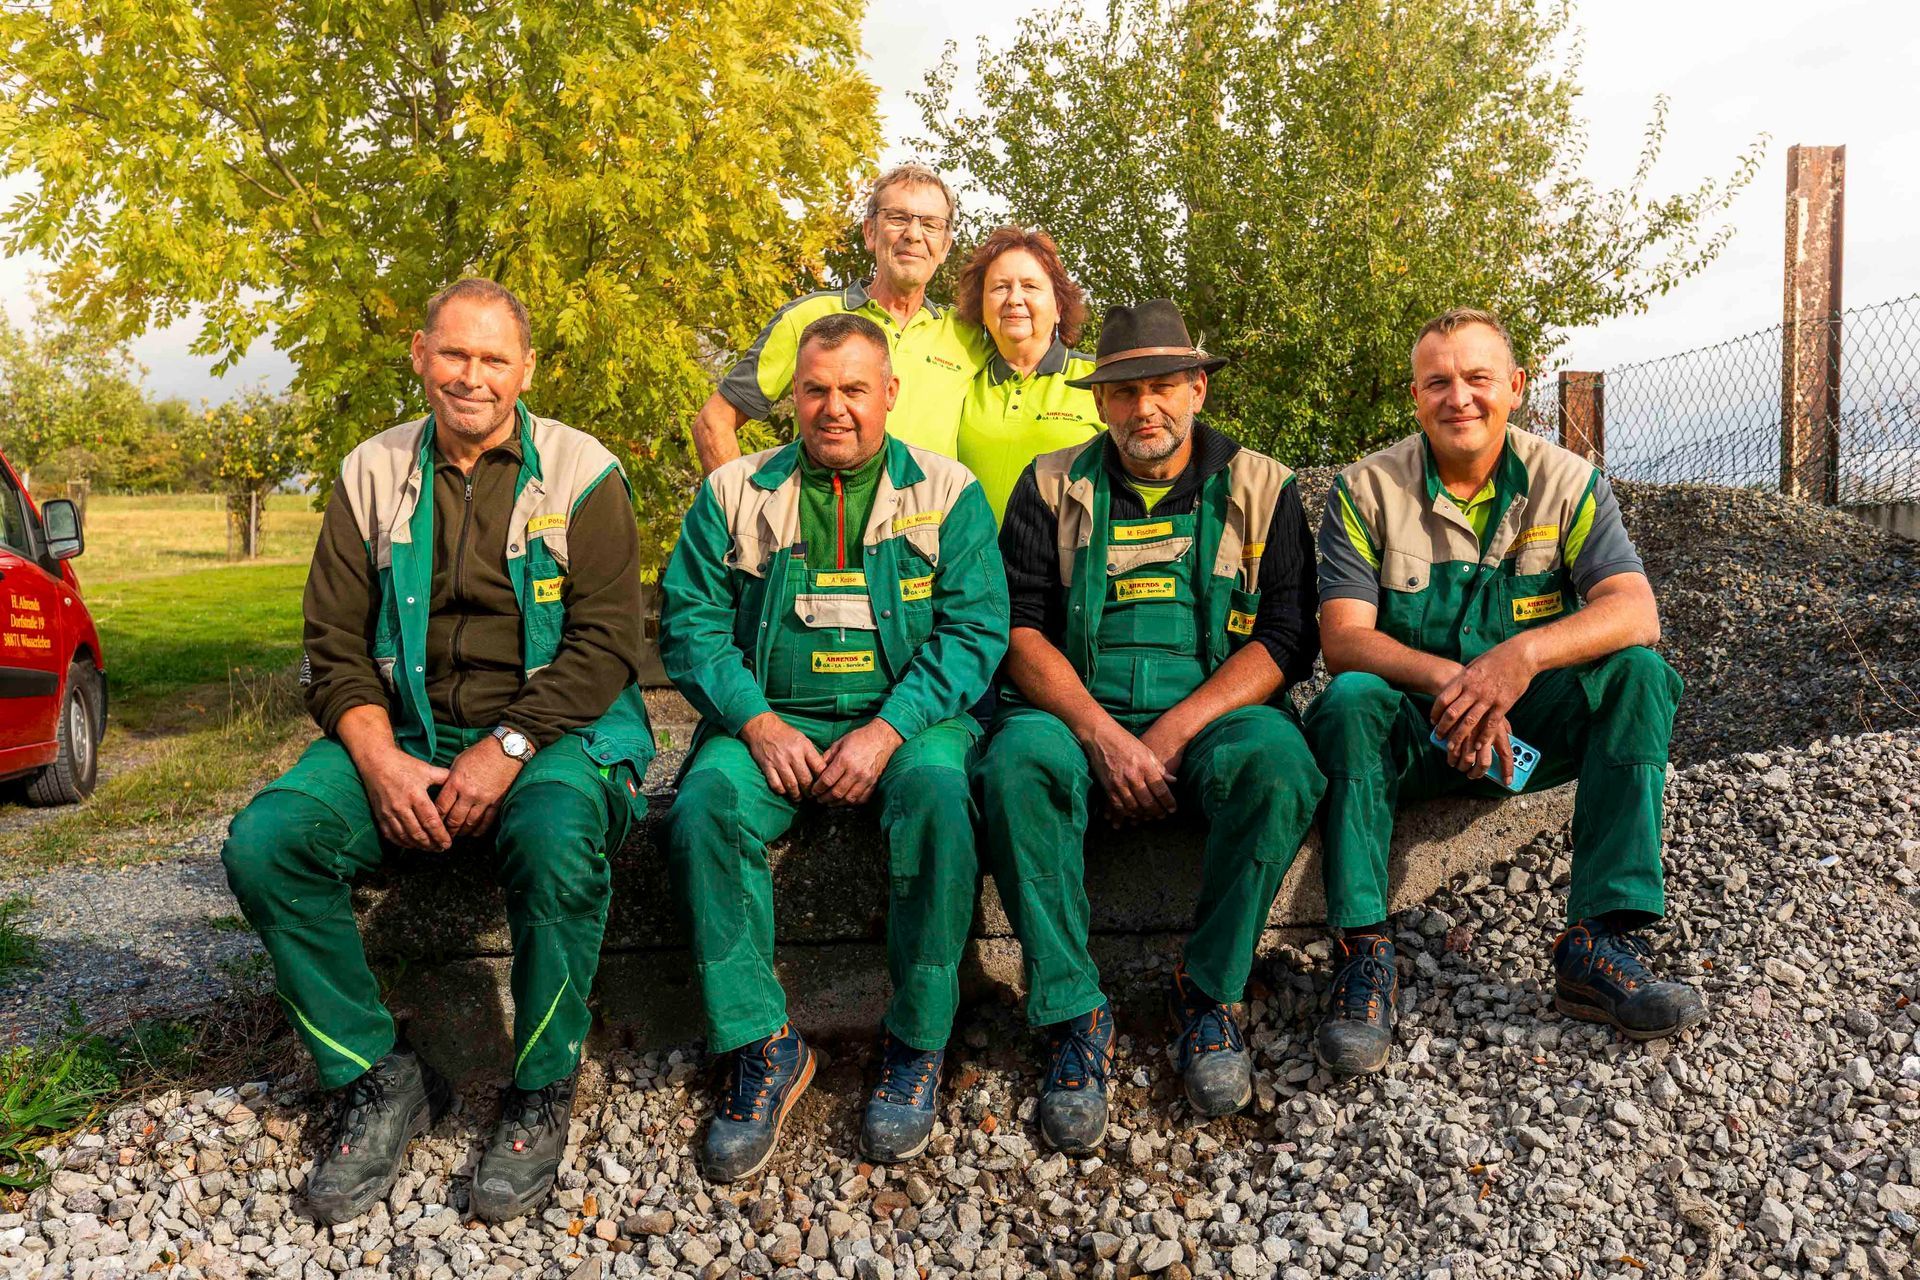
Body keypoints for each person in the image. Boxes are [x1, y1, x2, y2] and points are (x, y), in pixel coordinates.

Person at [220, 279, 655, 1224]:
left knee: (552, 833)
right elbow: (333, 647)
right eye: (455, 353)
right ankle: (376, 1076)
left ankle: (541, 1088)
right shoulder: (371, 472)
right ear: (420, 355)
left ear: (525, 370)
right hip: (404, 733)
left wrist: (507, 746)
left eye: (494, 359)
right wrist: (376, 759)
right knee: (266, 842)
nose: (473, 375)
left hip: (553, 736)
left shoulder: (584, 473)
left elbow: (607, 645)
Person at [1306, 307, 1705, 1078]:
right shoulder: (1365, 490)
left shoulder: (1569, 483)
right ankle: (1362, 953)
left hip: (1529, 726)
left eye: (1478, 378)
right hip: (1417, 730)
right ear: (1415, 397)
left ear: (1516, 388)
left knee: (1639, 676)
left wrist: (1520, 657)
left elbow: (1636, 612)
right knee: (1349, 700)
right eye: (1438, 382)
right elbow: (1343, 638)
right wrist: (1454, 683)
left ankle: (1599, 941)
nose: (1460, 397)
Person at [659, 312, 1008, 1181]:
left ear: (890, 393)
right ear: (793, 399)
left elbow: (972, 631)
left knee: (937, 801)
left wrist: (889, 729)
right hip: (771, 718)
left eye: (855, 389)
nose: (834, 408)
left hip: (909, 720)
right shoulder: (735, 491)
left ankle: (917, 1039)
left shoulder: (946, 491)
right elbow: (693, 627)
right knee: (704, 805)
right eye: (815, 390)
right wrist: (756, 721)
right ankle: (760, 1044)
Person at [974, 299, 1325, 1154]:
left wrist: (1166, 738)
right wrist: (1100, 735)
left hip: (1212, 719)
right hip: (1073, 716)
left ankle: (1207, 994)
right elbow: (1018, 628)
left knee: (1282, 766)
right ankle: (1071, 1014)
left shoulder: (1261, 487)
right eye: (1125, 393)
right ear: (1100, 403)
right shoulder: (1050, 484)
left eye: (1164, 387)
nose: (1145, 410)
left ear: (1198, 389)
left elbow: (1287, 634)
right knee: (1012, 768)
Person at [690, 163, 991, 470]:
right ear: (870, 232)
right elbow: (714, 422)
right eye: (898, 218)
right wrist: (741, 513)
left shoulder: (970, 335)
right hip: (820, 515)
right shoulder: (805, 318)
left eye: (930, 224)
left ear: (944, 246)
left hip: (931, 518)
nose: (913, 234)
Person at [951, 225, 1104, 523]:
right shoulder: (962, 381)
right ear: (982, 308)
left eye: (1030, 286)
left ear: (1059, 306)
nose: (1014, 299)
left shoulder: (1097, 380)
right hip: (970, 567)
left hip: (1067, 566)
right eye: (1000, 287)